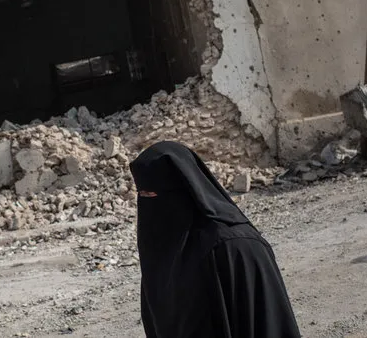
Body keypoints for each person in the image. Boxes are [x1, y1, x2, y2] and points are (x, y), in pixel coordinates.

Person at [129, 141, 301, 338]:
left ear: (184, 189)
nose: (147, 202)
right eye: (142, 195)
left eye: (152, 194)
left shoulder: (237, 247)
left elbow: (269, 326)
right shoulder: (164, 255)